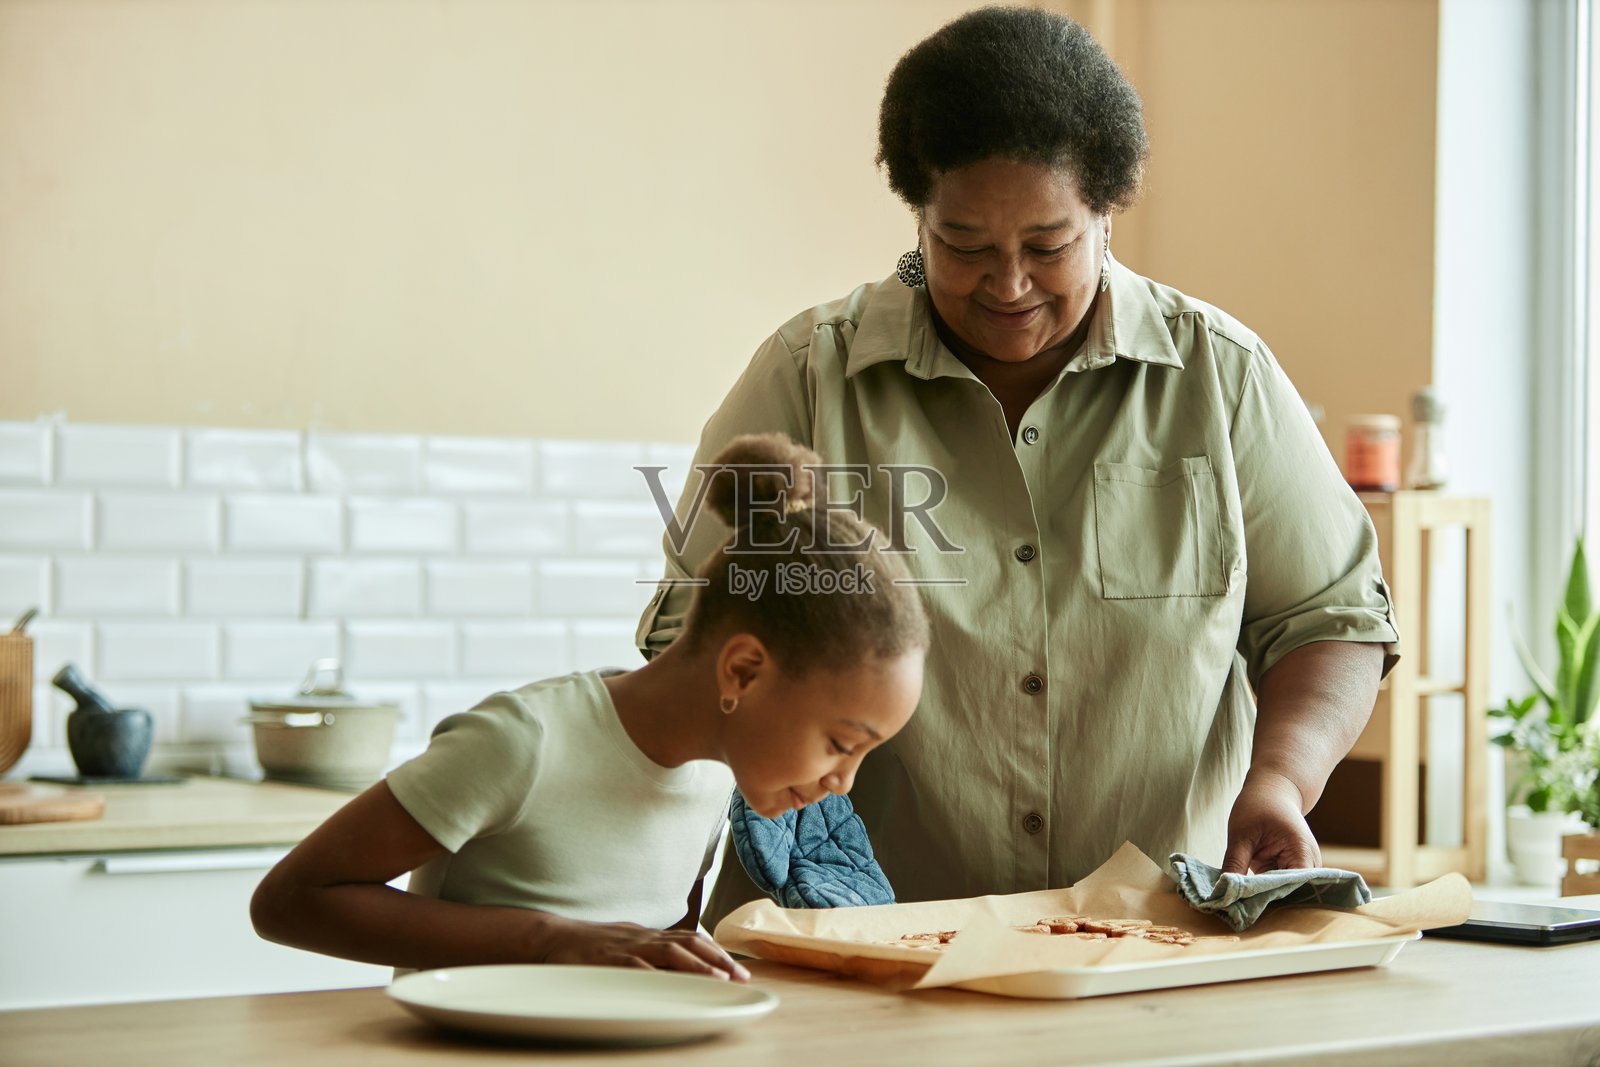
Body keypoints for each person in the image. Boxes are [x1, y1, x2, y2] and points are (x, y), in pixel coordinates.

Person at [636, 6, 1400, 931]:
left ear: (1108, 215)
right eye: (962, 245)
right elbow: (691, 638)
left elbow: (1331, 618)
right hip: (852, 944)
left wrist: (1281, 779)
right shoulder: (808, 377)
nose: (1007, 285)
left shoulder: (1221, 378)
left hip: (1150, 945)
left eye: (1048, 246)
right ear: (918, 213)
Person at [252, 433, 929, 979]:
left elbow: (650, 952)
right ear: (744, 670)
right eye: (843, 743)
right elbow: (289, 901)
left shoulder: (720, 772)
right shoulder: (524, 742)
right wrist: (549, 939)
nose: (844, 782)